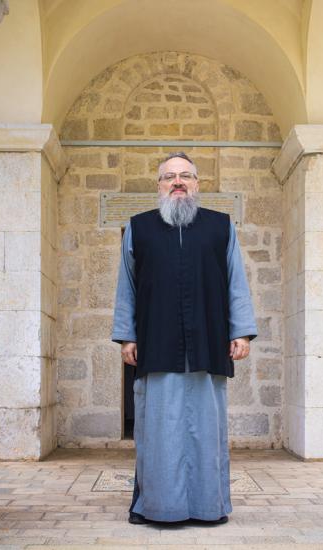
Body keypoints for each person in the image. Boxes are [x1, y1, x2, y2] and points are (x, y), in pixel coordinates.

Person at [111, 151, 257, 525]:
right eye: (169, 176)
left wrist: (240, 330)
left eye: (185, 176)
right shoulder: (139, 228)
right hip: (156, 344)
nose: (177, 181)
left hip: (208, 343)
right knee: (158, 430)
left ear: (197, 184)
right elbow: (126, 287)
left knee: (206, 431)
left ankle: (209, 507)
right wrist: (127, 337)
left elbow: (236, 281)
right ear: (159, 186)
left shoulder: (221, 226)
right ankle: (159, 507)